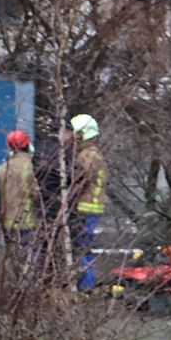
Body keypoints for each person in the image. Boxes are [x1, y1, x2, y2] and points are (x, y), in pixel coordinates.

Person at [66, 113, 106, 290]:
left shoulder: (86, 156)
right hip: (91, 210)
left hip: (84, 210)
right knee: (84, 249)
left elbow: (79, 181)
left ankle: (86, 287)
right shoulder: (94, 154)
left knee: (80, 250)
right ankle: (87, 286)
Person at [0, 130, 39, 251]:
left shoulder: (1, 169)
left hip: (8, 222)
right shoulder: (30, 166)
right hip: (27, 221)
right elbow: (36, 194)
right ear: (27, 145)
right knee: (29, 258)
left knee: (13, 255)